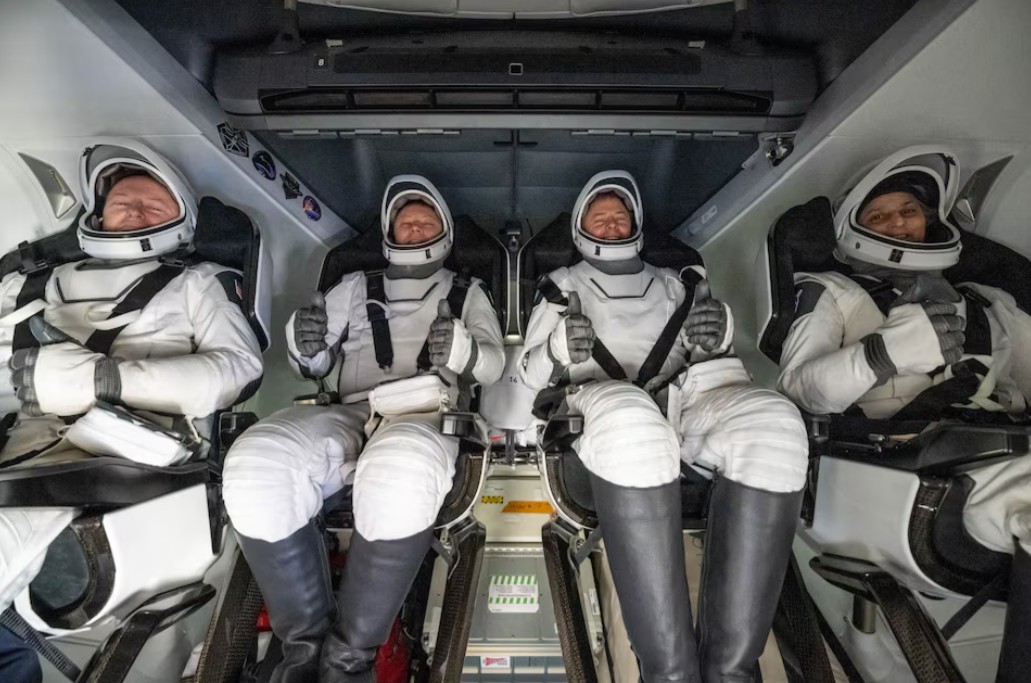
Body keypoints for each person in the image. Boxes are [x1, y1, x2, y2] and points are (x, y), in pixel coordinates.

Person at [519, 170, 808, 683]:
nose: (610, 224)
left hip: (681, 405)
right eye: (599, 216)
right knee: (635, 421)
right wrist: (556, 349)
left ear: (637, 224)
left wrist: (715, 334)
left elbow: (708, 354)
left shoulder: (680, 285)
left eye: (620, 215)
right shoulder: (560, 289)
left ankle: (730, 671)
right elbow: (523, 377)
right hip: (599, 410)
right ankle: (669, 673)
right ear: (581, 228)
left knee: (774, 422)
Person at [221, 175, 505, 683]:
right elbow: (313, 362)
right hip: (353, 410)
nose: (415, 228)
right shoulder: (353, 288)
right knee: (256, 461)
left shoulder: (469, 293)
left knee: (398, 467)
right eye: (405, 220)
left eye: (425, 221)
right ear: (388, 230)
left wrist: (461, 350)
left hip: (429, 414)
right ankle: (303, 652)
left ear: (444, 233)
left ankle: (349, 663)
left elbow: (493, 366)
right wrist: (306, 345)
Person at [777, 145, 1031, 683]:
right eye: (880, 215)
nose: (899, 223)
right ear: (853, 226)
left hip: (999, 451)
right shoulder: (832, 293)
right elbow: (800, 388)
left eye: (910, 211)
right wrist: (879, 355)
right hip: (905, 470)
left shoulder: (988, 302)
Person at [0, 139, 264, 630]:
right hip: (21, 455)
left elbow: (237, 369)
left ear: (181, 218)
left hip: (126, 460)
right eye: (124, 203)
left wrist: (103, 379)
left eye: (154, 204)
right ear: (98, 217)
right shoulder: (26, 285)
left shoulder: (200, 281)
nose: (138, 211)